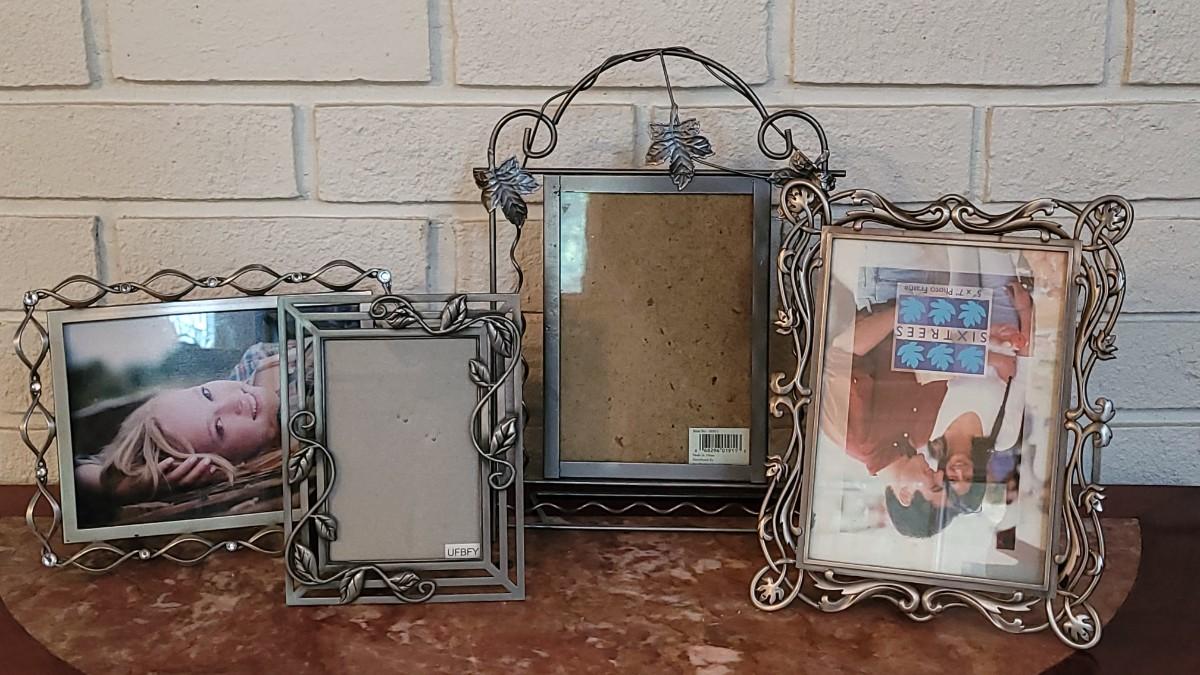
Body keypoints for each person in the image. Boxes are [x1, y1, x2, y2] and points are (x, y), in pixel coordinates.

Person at [820, 279, 1033, 537]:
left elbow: (840, 354)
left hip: (885, 286)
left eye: (934, 486)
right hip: (935, 292)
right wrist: (987, 336)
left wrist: (906, 310)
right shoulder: (921, 436)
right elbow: (937, 355)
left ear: (905, 494)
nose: (940, 475)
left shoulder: (856, 439)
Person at [74, 342, 288, 505]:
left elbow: (81, 470)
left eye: (207, 393)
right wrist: (120, 487)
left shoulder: (255, 360)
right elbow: (75, 473)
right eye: (219, 428)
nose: (233, 402)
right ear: (221, 467)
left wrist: (107, 483)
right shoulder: (290, 438)